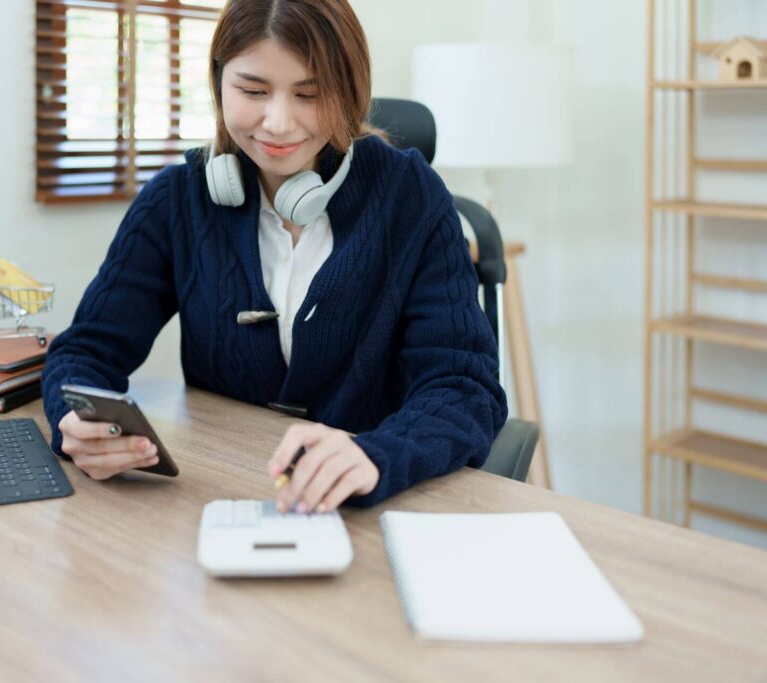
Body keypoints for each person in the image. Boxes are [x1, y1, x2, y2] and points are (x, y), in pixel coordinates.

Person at [41, 0, 507, 513]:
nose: (279, 123)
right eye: (253, 91)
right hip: (222, 497)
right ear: (218, 82)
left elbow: (465, 388)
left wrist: (377, 453)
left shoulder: (411, 197)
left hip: (373, 510)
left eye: (310, 93)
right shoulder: (178, 200)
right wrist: (76, 420)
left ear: (350, 92)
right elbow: (86, 350)